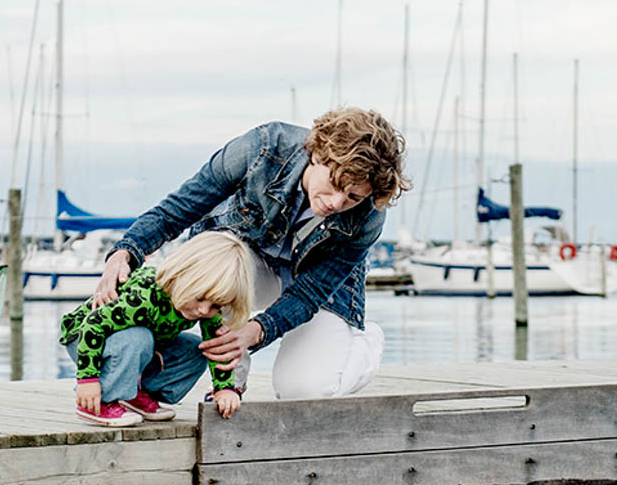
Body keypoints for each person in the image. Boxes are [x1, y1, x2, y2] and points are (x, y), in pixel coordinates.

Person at [95, 108, 409, 400]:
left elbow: (310, 292)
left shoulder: (368, 216)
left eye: (353, 196)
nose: (337, 203)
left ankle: (364, 342)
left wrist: (256, 331)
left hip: (314, 289)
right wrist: (124, 252)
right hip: (252, 263)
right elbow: (181, 208)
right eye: (335, 184)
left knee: (303, 390)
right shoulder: (263, 147)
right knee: (216, 263)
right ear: (317, 155)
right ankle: (232, 382)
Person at [60, 230, 253, 426]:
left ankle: (134, 395)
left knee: (197, 349)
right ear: (181, 277)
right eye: (200, 298)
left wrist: (224, 388)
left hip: (136, 345)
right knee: (139, 337)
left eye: (215, 306)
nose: (203, 310)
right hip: (85, 338)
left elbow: (216, 346)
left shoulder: (204, 308)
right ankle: (99, 402)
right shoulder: (145, 296)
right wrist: (88, 380)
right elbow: (93, 325)